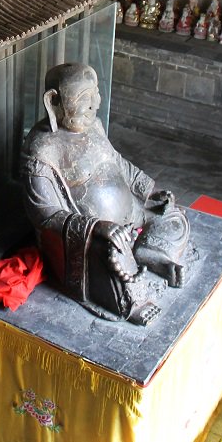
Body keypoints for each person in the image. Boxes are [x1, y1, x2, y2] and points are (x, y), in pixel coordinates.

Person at [20, 63, 194, 326]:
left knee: (172, 216)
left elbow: (118, 163)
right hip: (92, 236)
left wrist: (149, 190)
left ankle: (152, 254)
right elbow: (44, 214)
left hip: (131, 215)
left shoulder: (95, 128)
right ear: (53, 101)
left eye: (96, 94)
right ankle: (134, 297)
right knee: (111, 257)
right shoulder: (42, 149)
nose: (95, 104)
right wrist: (97, 227)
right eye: (84, 98)